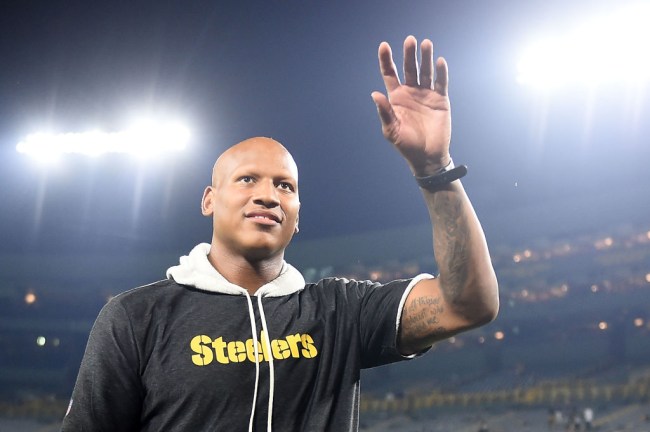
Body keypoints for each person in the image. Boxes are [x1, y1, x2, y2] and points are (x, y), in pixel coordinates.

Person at [61, 35, 499, 431]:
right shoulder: (136, 317)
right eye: (247, 179)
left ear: (297, 215)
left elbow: (467, 305)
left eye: (285, 186)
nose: (268, 195)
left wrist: (434, 168)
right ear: (209, 200)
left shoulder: (341, 312)